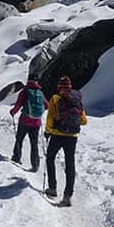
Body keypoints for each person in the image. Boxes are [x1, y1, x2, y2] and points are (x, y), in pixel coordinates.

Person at [43, 75, 87, 206]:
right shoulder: (77, 100)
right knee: (70, 164)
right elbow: (84, 121)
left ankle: (52, 188)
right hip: (72, 137)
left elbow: (50, 117)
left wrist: (47, 131)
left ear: (59, 87)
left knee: (50, 158)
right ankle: (68, 195)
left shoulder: (55, 98)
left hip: (57, 134)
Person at [9, 79, 47, 171]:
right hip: (36, 122)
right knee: (34, 144)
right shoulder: (40, 92)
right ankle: (35, 165)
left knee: (19, 139)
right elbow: (46, 105)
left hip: (25, 121)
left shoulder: (25, 91)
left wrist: (13, 112)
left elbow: (18, 104)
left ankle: (16, 158)